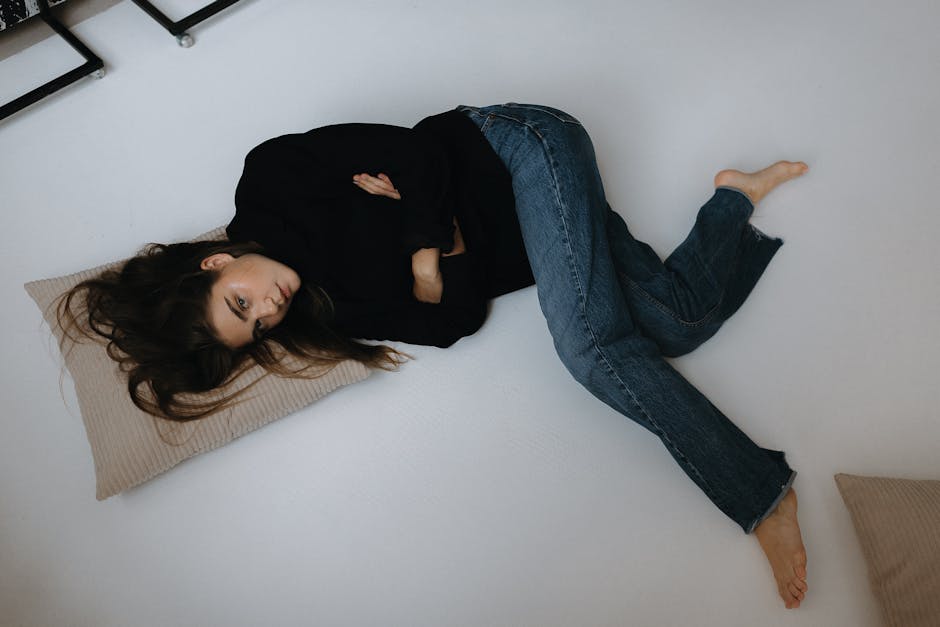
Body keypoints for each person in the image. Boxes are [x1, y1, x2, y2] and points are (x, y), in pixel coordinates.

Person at [60, 103, 809, 608]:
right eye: (253, 329)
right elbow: (455, 323)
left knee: (589, 345)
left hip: (520, 146)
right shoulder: (325, 312)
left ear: (214, 264)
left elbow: (413, 149)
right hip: (540, 230)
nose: (269, 311)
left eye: (241, 302)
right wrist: (440, 236)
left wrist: (423, 256)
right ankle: (734, 198)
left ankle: (760, 494)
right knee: (676, 322)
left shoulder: (271, 181)